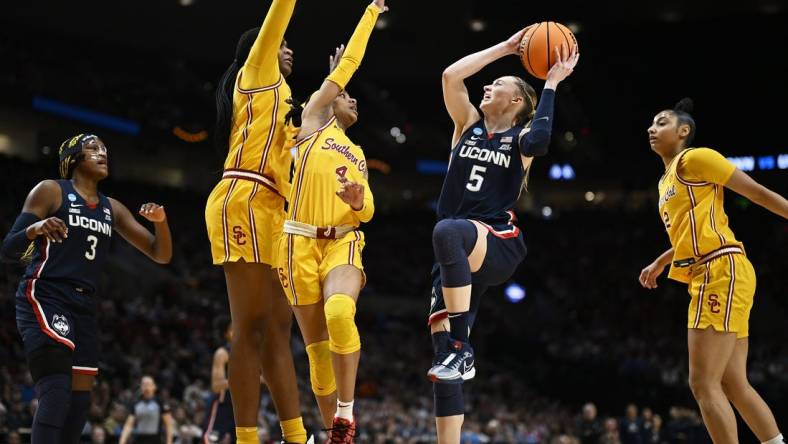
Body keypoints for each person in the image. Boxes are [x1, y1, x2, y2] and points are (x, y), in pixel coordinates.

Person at [425, 27, 578, 442]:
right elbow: (450, 77)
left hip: (497, 242)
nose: (488, 85)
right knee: (443, 366)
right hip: (455, 254)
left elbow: (543, 139)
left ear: (515, 102)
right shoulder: (468, 125)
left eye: (498, 85)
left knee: (447, 230)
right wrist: (507, 49)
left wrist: (550, 83)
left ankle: (461, 348)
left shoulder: (520, 139)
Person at [1, 134, 172, 444]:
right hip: (46, 294)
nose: (102, 153)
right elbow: (9, 249)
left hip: (84, 306)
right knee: (56, 391)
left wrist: (160, 222)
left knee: (79, 405)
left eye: (105, 149)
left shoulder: (112, 208)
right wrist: (35, 228)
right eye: (93, 149)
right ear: (73, 157)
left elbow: (161, 254)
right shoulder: (51, 191)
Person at [639, 98, 786, 444]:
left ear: (683, 131)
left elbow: (758, 193)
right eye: (651, 123)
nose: (651, 128)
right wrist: (662, 261)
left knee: (702, 383)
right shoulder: (665, 182)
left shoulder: (695, 158)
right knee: (733, 383)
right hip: (713, 271)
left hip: (720, 269)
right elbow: (690, 235)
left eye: (661, 122)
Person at [275, 1, 387, 441]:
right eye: (346, 94)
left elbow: (371, 211)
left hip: (341, 241)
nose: (353, 98)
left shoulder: (357, 152)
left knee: (341, 311)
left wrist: (359, 202)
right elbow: (348, 68)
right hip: (296, 244)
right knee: (317, 357)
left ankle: (345, 412)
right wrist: (370, 14)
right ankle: (332, 433)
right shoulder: (313, 121)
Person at [203, 0, 308, 441]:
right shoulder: (257, 74)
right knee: (250, 327)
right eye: (281, 44)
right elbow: (279, 12)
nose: (288, 51)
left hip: (274, 210)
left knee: (281, 329)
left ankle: (296, 435)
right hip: (242, 196)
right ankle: (246, 436)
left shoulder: (286, 102)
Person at [202, 317, 235, 443]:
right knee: (211, 440)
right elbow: (216, 386)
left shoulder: (251, 353)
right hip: (222, 404)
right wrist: (248, 379)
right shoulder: (222, 353)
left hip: (242, 406)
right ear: (226, 334)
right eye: (233, 329)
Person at [119, 375, 174, 444]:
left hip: (155, 440)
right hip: (139, 440)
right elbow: (129, 425)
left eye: (148, 384)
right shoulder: (136, 404)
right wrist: (122, 441)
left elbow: (168, 425)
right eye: (144, 384)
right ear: (141, 387)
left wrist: (169, 442)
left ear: (154, 387)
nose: (146, 387)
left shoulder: (160, 403)